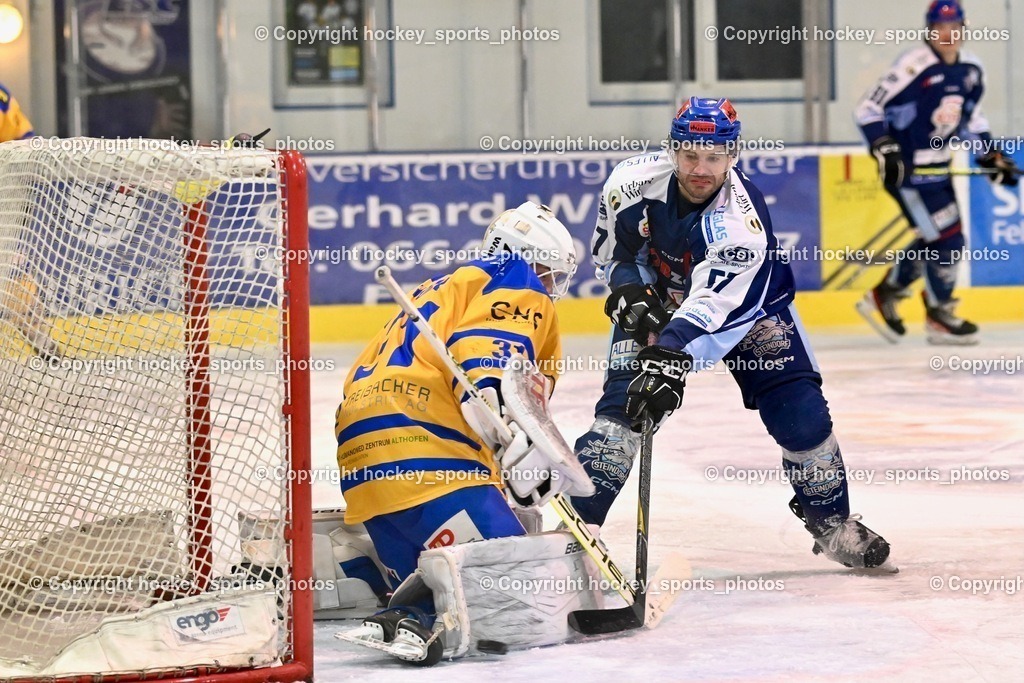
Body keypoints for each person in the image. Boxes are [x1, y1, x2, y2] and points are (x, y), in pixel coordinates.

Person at [570, 97, 891, 573]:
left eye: (714, 157)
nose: (701, 169)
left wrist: (669, 352)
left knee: (803, 422)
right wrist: (628, 290)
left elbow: (712, 304)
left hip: (748, 314)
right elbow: (614, 254)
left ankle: (831, 522)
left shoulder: (740, 221)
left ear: (732, 155)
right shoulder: (630, 183)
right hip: (659, 306)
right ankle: (573, 527)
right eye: (690, 155)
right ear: (672, 149)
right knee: (621, 415)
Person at [334, 201, 600, 664]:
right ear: (529, 259)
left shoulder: (439, 289)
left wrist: (507, 449)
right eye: (549, 273)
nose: (550, 287)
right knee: (520, 596)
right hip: (428, 452)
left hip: (363, 459)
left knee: (441, 594)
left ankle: (405, 610)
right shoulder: (516, 279)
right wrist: (519, 432)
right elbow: (490, 357)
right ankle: (407, 603)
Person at [853, 0, 1018, 345]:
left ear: (963, 27)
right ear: (929, 30)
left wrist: (990, 156)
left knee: (937, 239)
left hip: (940, 171)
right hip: (908, 175)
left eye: (954, 27)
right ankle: (939, 312)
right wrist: (885, 146)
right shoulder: (915, 66)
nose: (947, 34)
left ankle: (886, 294)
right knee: (948, 239)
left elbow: (970, 121)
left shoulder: (971, 69)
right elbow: (868, 108)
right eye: (940, 28)